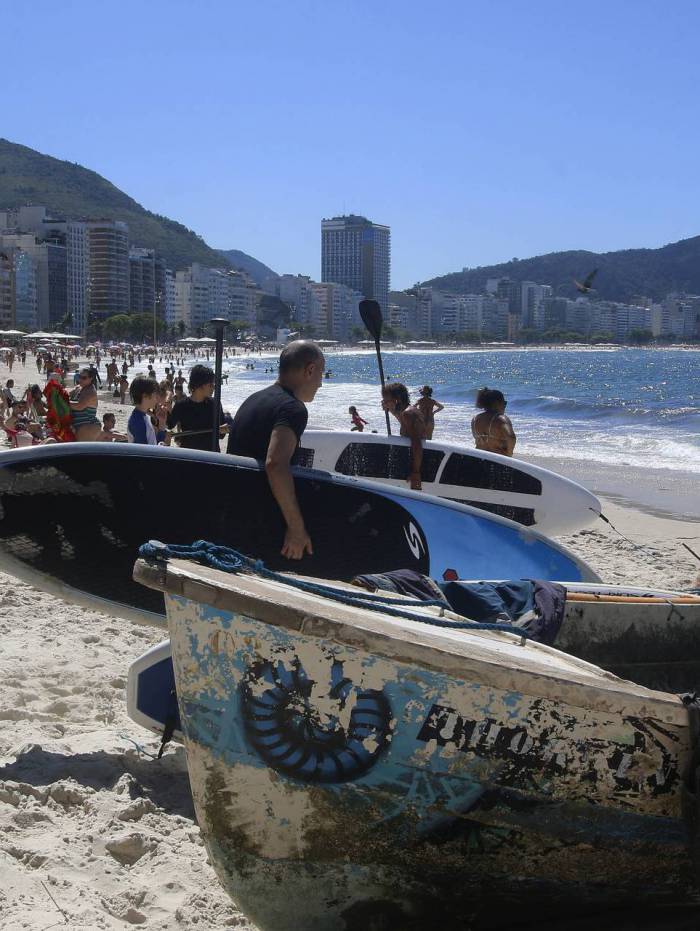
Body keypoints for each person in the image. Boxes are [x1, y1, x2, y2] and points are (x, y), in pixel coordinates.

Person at [227, 340, 324, 560]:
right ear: (310, 370)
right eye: (321, 373)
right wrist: (297, 529)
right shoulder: (293, 409)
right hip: (262, 526)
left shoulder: (252, 400)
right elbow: (276, 464)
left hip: (235, 514)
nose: (321, 383)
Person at [166, 364, 226, 451]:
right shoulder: (181, 405)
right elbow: (169, 425)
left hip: (211, 456)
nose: (213, 387)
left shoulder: (215, 404)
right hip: (190, 456)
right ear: (200, 385)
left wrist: (223, 430)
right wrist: (166, 409)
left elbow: (221, 435)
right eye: (210, 384)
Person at [381, 382, 426, 491]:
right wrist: (390, 409)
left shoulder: (408, 414)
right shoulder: (407, 412)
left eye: (386, 401)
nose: (384, 403)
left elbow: (417, 444)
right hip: (417, 461)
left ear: (396, 401)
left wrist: (415, 472)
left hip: (420, 464)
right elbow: (403, 424)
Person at [471, 387, 516, 457]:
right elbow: (511, 437)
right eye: (504, 403)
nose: (505, 406)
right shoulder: (501, 419)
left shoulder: (475, 419)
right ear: (497, 403)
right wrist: (509, 454)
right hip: (497, 460)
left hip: (480, 457)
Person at [69, 368, 100, 441]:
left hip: (88, 426)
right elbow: (66, 395)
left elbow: (79, 406)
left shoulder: (91, 392)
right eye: (80, 377)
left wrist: (64, 402)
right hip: (77, 425)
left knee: (83, 451)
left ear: (91, 378)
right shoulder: (78, 388)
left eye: (84, 378)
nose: (81, 379)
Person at [127, 375, 158, 445]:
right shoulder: (137, 421)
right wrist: (161, 435)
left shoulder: (143, 416)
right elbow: (144, 452)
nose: (157, 400)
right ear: (145, 396)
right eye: (155, 395)